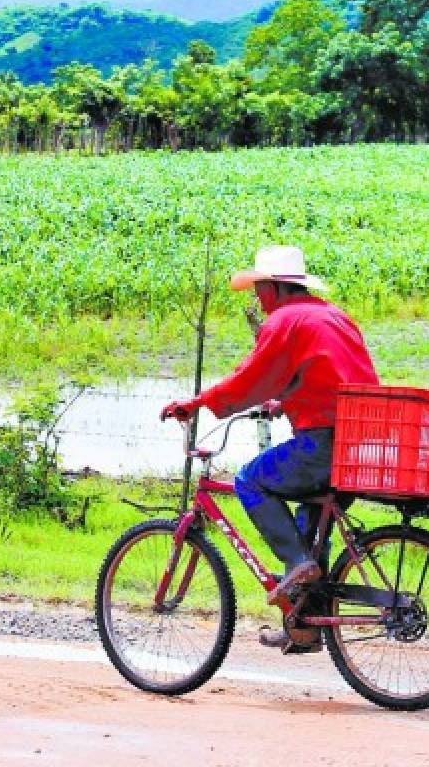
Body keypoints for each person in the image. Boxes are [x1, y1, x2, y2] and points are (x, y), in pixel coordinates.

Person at [161, 245, 378, 653]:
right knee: (308, 529)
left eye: (260, 289)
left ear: (276, 288)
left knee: (251, 481)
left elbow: (251, 377)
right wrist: (285, 401)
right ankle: (305, 625)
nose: (257, 299)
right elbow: (326, 375)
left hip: (322, 445)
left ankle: (297, 567)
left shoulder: (286, 320)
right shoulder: (332, 316)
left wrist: (197, 403)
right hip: (357, 444)